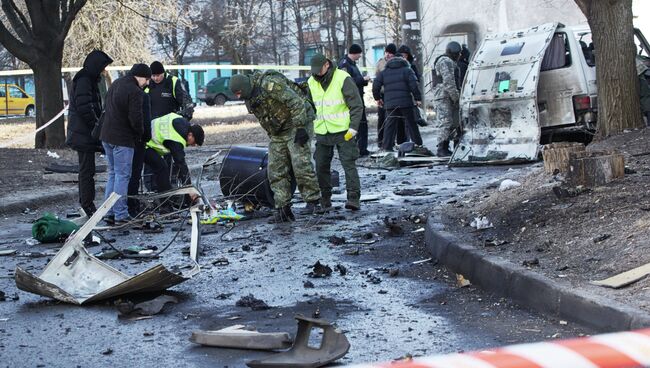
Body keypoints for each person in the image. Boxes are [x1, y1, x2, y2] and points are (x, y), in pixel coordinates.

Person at [229, 71, 323, 222]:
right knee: (276, 169)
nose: (238, 97)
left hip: (297, 123)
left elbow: (296, 102)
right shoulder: (250, 97)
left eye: (239, 93)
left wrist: (300, 127)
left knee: (300, 163)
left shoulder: (270, 84)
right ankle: (282, 208)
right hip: (278, 131)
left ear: (245, 87)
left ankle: (313, 203)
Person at [307, 54, 363, 211]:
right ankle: (324, 199)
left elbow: (356, 105)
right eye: (314, 71)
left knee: (348, 164)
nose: (317, 73)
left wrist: (353, 128)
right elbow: (309, 107)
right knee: (321, 166)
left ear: (327, 65)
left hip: (344, 131)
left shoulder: (342, 78)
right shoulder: (311, 82)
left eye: (319, 70)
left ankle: (353, 199)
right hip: (323, 132)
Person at [100, 63, 150, 225]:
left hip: (107, 136)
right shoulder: (135, 91)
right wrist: (140, 134)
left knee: (113, 174)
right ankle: (121, 214)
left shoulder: (116, 84)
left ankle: (108, 211)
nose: (147, 83)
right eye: (147, 79)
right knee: (123, 176)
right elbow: (136, 118)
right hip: (122, 139)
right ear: (140, 76)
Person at [65, 50, 113, 217]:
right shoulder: (85, 79)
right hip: (83, 133)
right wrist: (96, 126)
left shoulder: (88, 79)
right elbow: (85, 106)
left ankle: (87, 203)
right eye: (103, 67)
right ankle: (87, 204)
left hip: (84, 133)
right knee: (86, 171)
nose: (104, 71)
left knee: (87, 170)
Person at [144, 112, 204, 203]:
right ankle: (165, 204)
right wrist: (190, 189)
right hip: (145, 144)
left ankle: (165, 199)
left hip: (145, 134)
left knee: (162, 167)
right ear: (190, 135)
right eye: (194, 142)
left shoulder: (181, 120)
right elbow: (181, 164)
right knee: (162, 168)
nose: (193, 145)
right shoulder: (177, 139)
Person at [372, 52, 423, 151]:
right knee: (411, 124)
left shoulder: (384, 72)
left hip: (390, 104)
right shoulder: (407, 70)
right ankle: (418, 145)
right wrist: (417, 98)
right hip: (406, 103)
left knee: (389, 125)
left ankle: (387, 147)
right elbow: (414, 85)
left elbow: (375, 86)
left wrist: (377, 98)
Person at [338, 44, 370, 156]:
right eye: (359, 53)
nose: (360, 56)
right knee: (358, 124)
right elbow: (347, 82)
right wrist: (362, 79)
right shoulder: (344, 64)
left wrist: (364, 81)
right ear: (355, 53)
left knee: (362, 124)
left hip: (358, 97)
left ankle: (362, 149)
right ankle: (356, 149)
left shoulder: (352, 64)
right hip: (351, 100)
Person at [433, 41, 461, 157]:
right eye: (458, 53)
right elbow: (449, 81)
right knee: (445, 122)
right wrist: (456, 98)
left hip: (444, 95)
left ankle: (445, 146)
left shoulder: (445, 60)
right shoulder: (446, 61)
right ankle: (442, 148)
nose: (459, 56)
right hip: (444, 96)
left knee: (450, 121)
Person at [127, 92, 151, 217]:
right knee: (134, 175)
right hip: (137, 140)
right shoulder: (141, 96)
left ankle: (118, 209)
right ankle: (132, 206)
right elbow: (143, 119)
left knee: (119, 175)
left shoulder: (117, 90)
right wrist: (145, 136)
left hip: (120, 139)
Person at [375, 44, 397, 147]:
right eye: (386, 52)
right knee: (381, 118)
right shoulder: (380, 63)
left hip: (393, 94)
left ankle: (390, 141)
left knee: (391, 118)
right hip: (383, 94)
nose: (388, 55)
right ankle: (380, 141)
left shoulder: (397, 62)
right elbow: (377, 79)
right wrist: (377, 96)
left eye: (390, 53)